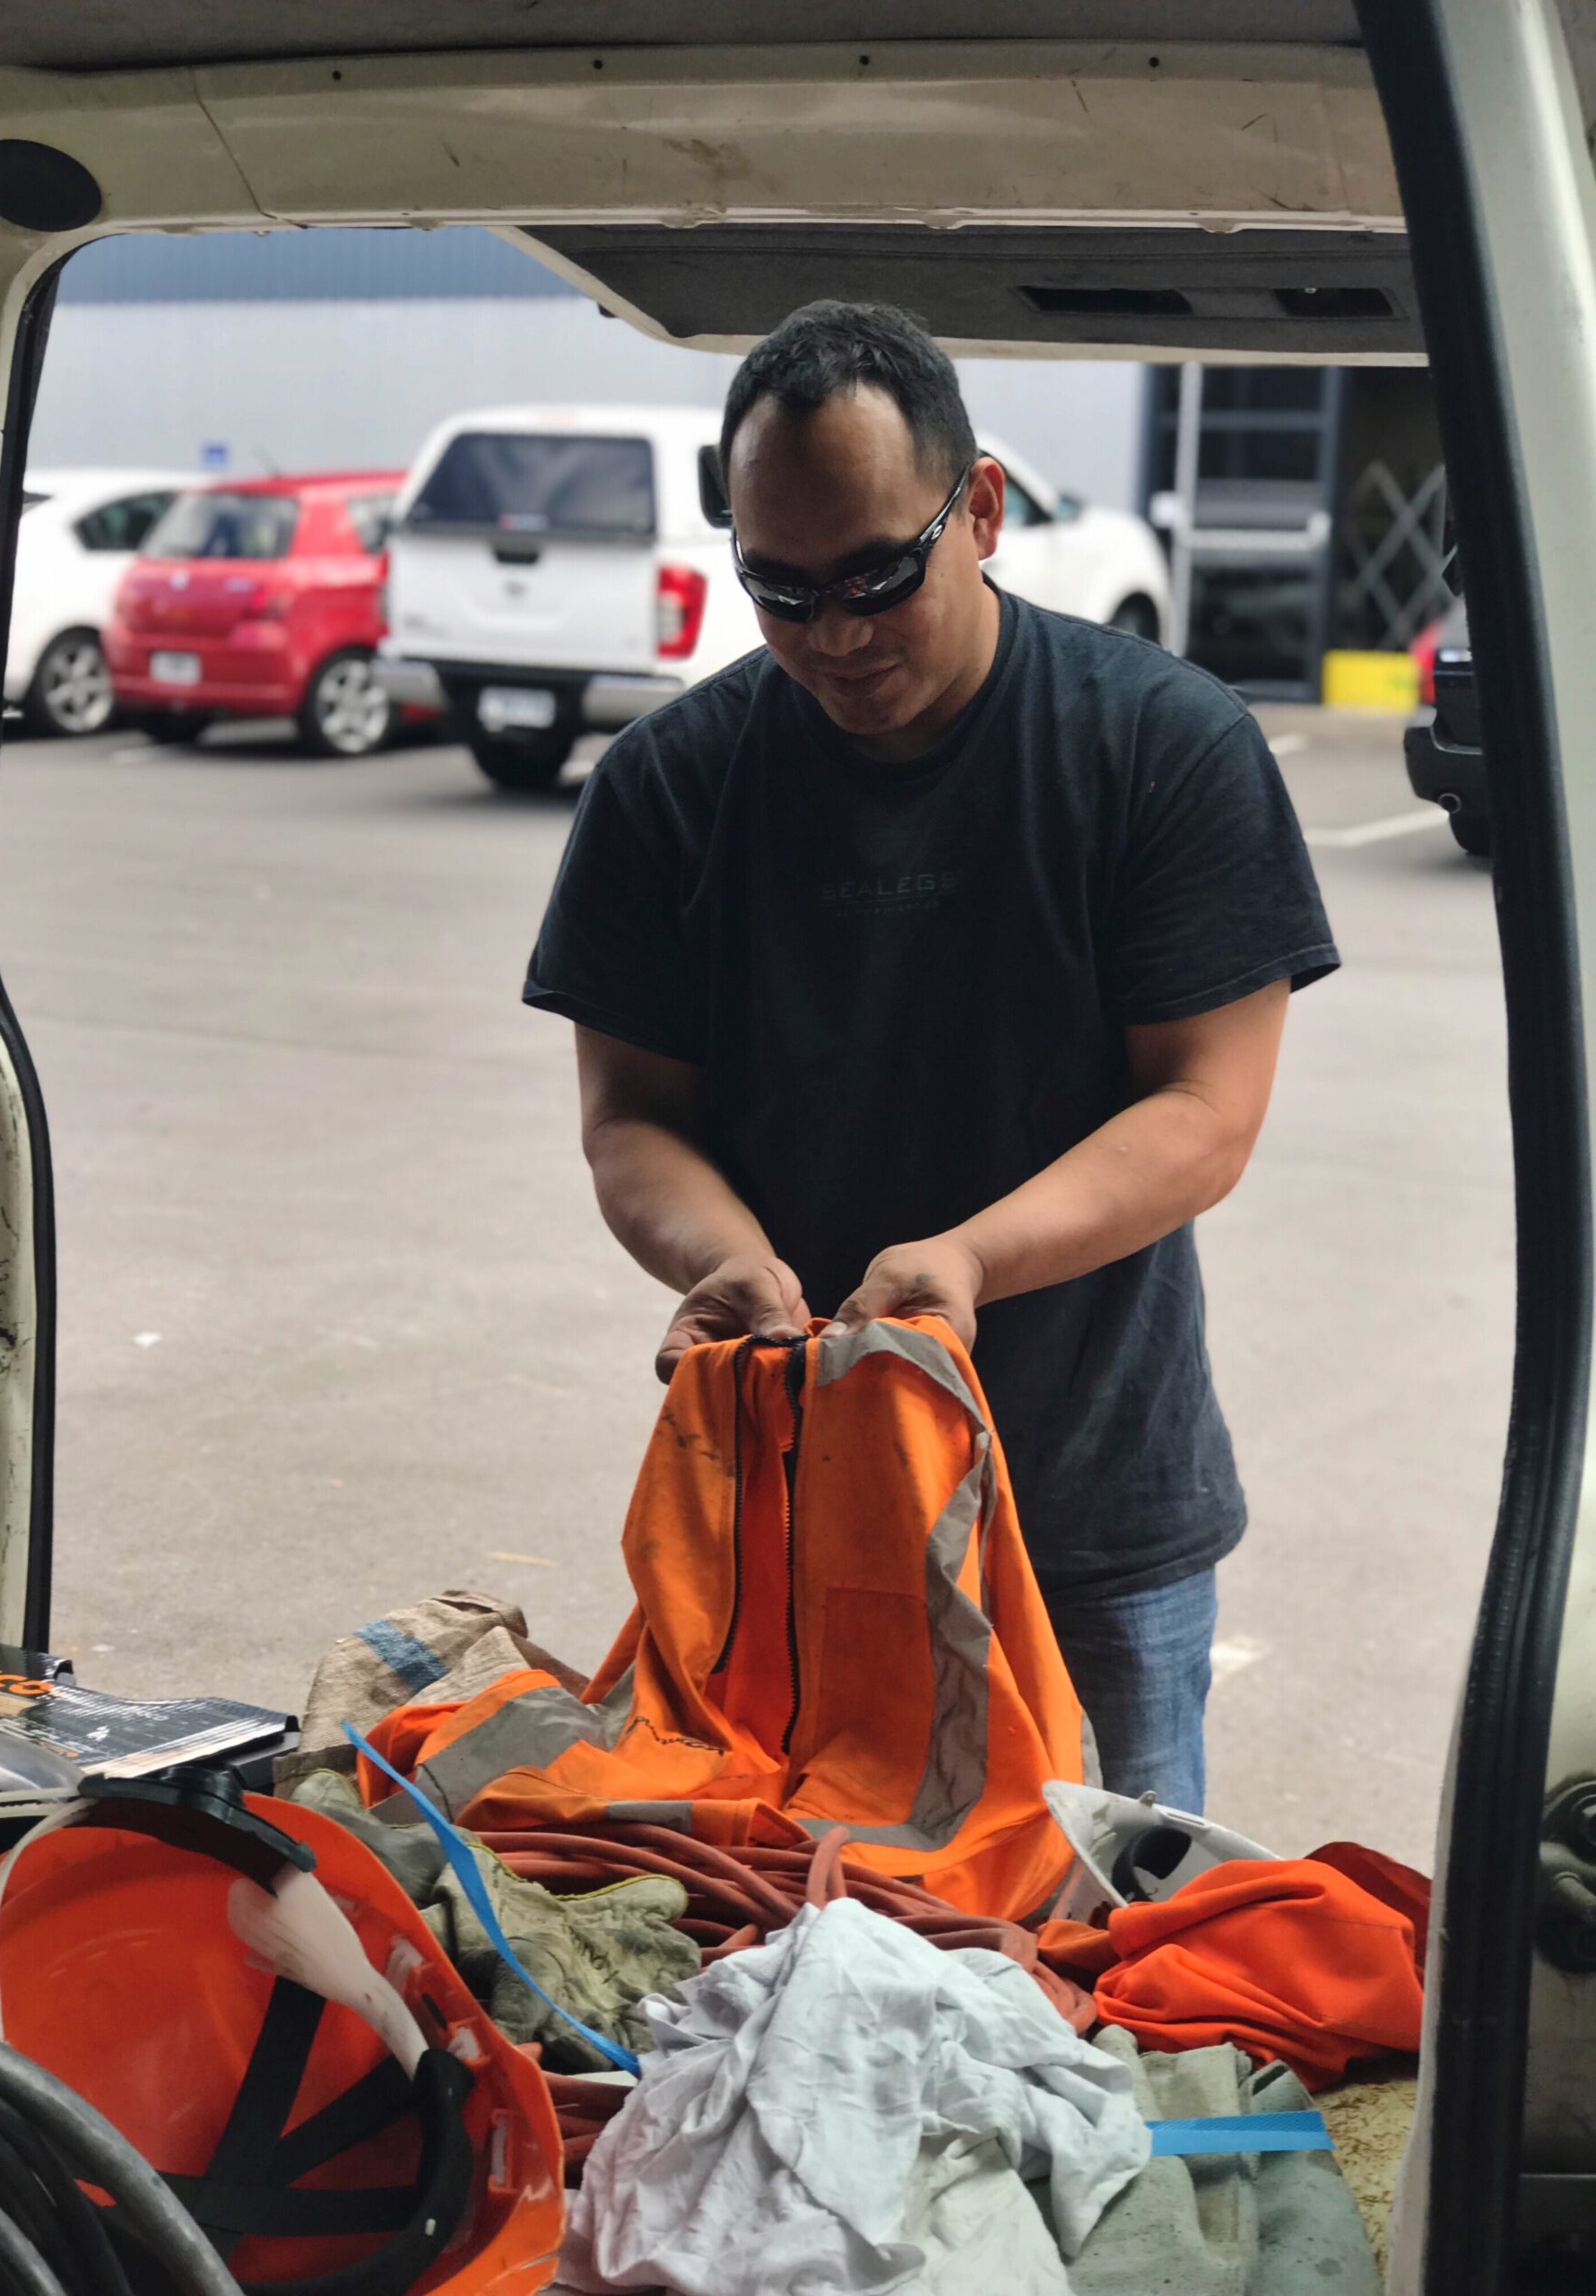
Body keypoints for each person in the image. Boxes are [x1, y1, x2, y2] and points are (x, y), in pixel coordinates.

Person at [524, 302, 1337, 1811]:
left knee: (1112, 1914)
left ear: (980, 510)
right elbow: (629, 1119)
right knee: (803, 1904)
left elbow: (1207, 1110)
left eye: (874, 577)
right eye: (780, 589)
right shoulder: (664, 788)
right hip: (795, 1513)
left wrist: (966, 1260)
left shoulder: (1160, 747)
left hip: (1089, 1511)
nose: (835, 635)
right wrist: (726, 1258)